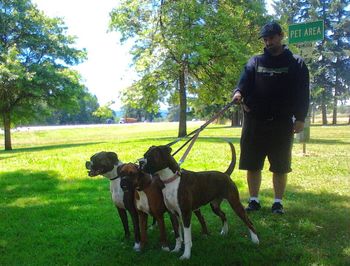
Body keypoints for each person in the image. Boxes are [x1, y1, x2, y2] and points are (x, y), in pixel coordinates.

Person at [232, 21, 309, 214]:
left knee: (281, 167)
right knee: (252, 164)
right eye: (265, 39)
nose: (268, 42)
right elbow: (243, 82)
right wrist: (238, 93)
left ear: (281, 36)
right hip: (254, 122)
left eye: (271, 38)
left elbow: (303, 93)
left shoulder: (296, 63)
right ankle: (254, 200)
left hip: (282, 123)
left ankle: (277, 202)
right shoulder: (255, 62)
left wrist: (300, 118)